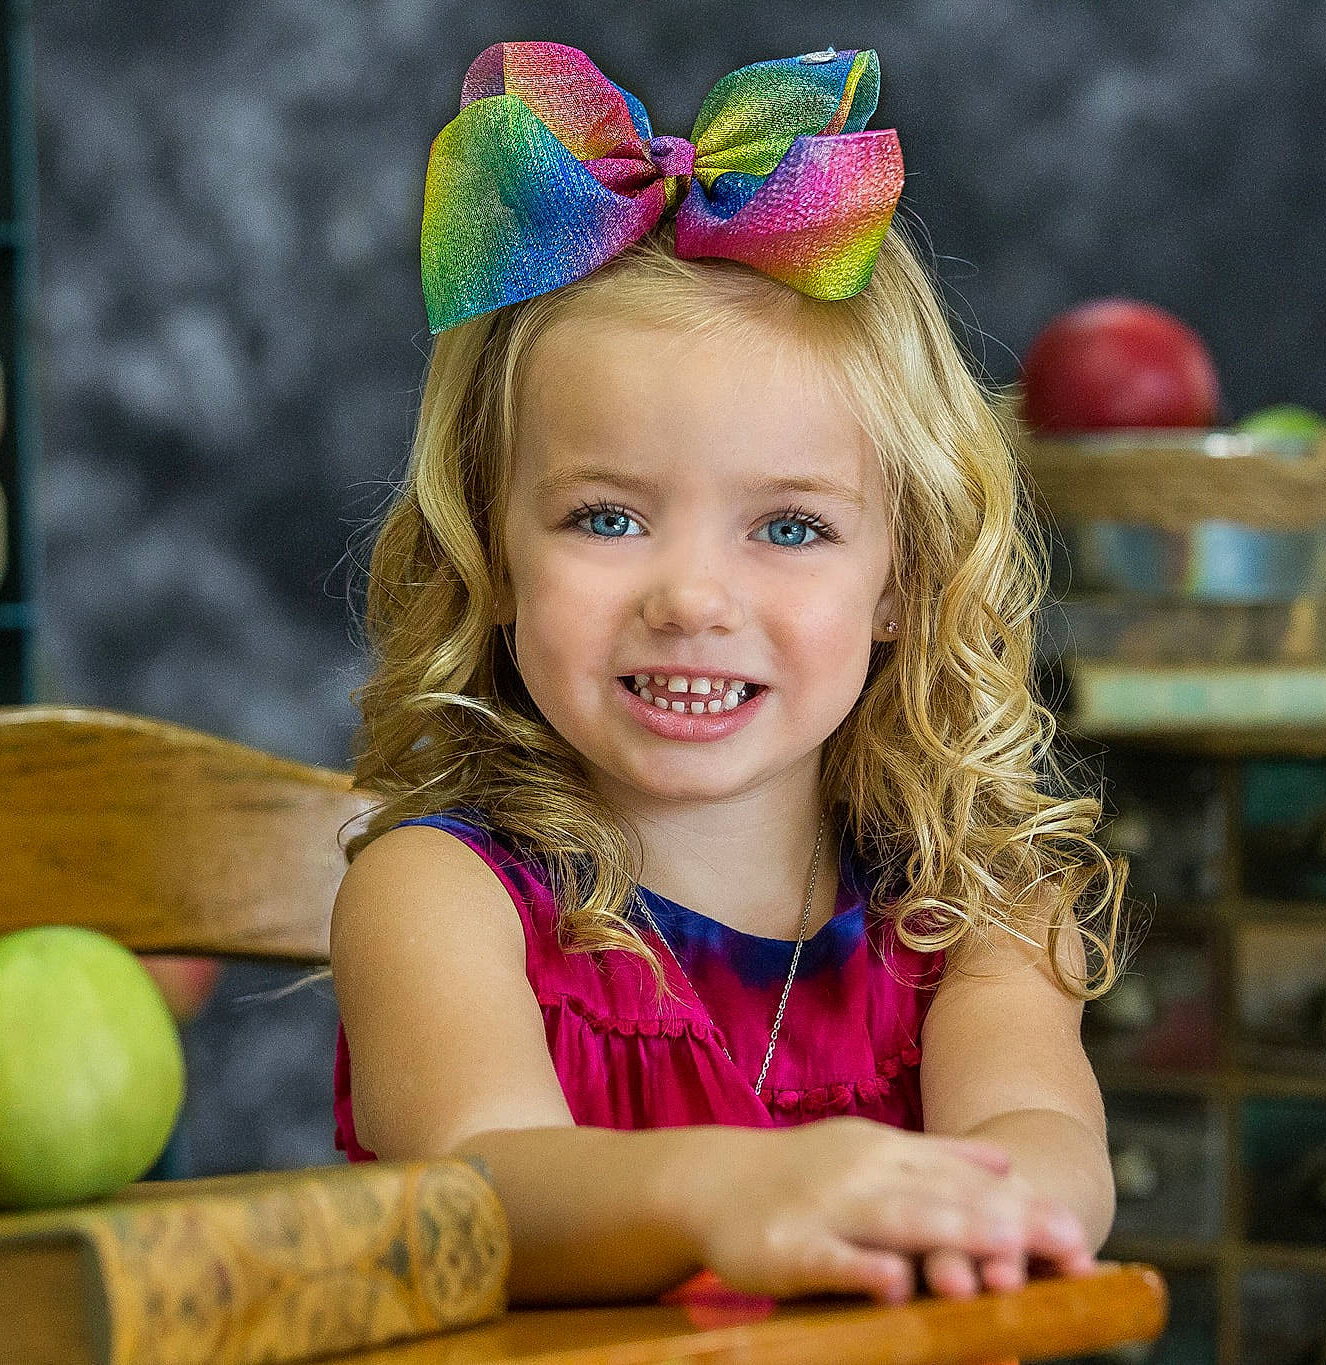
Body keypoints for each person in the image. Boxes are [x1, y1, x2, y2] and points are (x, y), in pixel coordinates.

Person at [330, 40, 1126, 1309]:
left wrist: (1001, 1200)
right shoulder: (437, 898)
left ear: (902, 580)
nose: (692, 599)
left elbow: (1044, 1142)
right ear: (491, 549)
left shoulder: (976, 919)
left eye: (790, 528)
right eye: (604, 518)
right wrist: (726, 1192)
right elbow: (478, 1184)